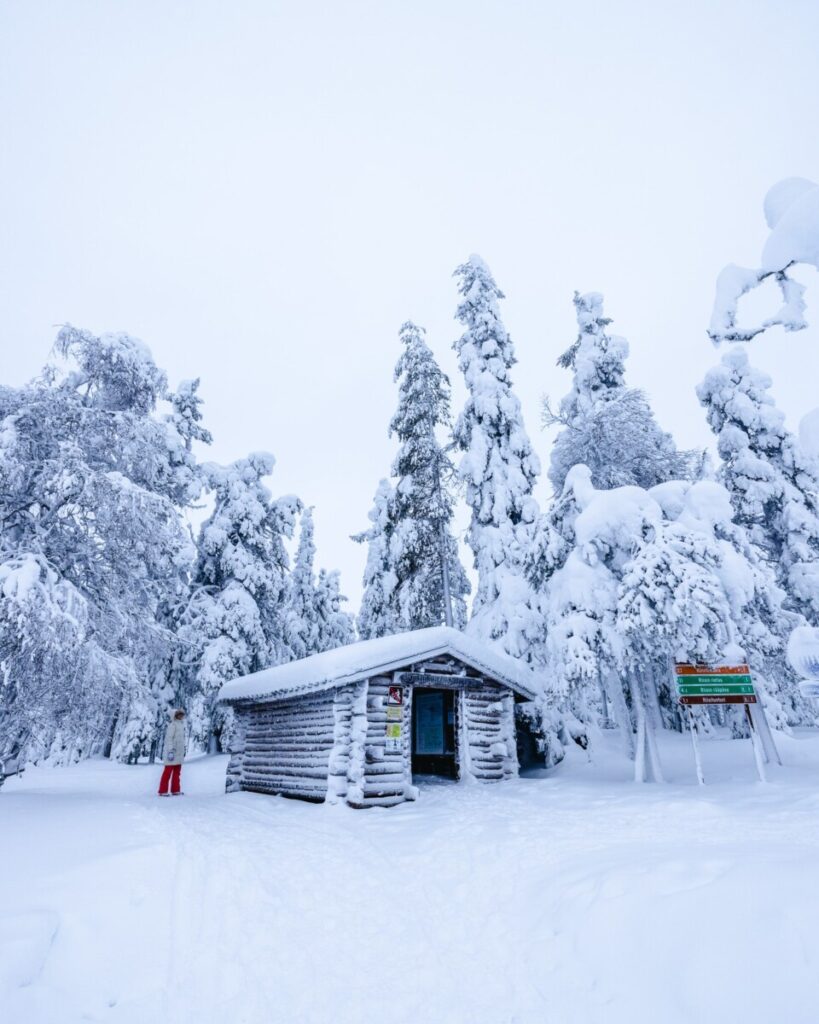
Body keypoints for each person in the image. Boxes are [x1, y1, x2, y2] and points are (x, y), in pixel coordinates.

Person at [158, 709, 187, 796]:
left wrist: (183, 750)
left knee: (177, 772)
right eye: (178, 714)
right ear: (174, 716)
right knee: (167, 772)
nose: (181, 716)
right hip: (172, 752)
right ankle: (162, 791)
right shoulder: (172, 725)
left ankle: (175, 790)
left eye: (182, 714)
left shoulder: (181, 725)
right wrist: (170, 750)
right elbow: (169, 738)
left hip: (179, 752)